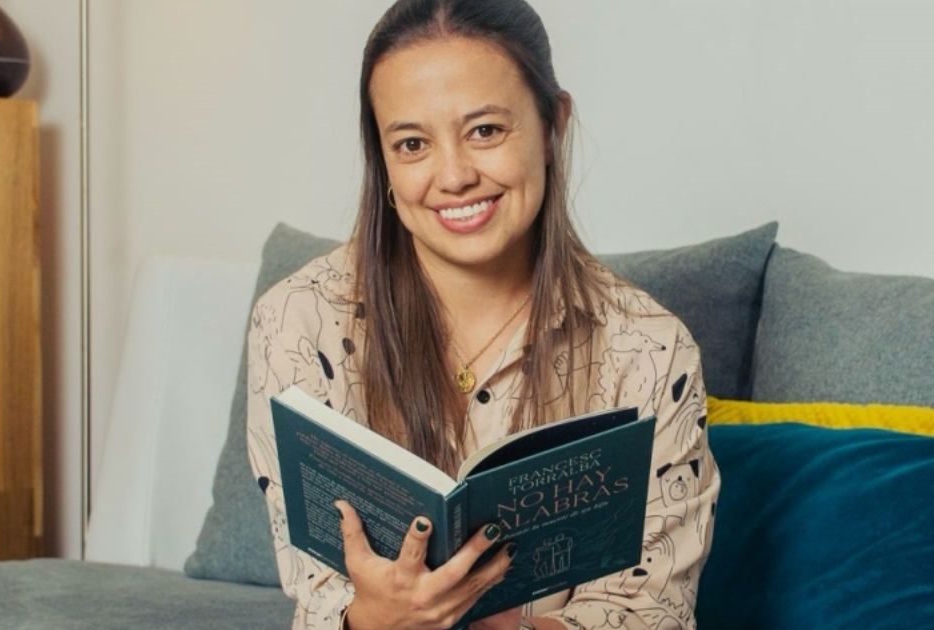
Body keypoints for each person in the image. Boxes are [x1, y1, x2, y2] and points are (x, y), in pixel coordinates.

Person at [246, 1, 719, 629]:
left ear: (553, 126)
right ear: (383, 162)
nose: (453, 176)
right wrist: (374, 620)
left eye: (485, 131)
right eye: (412, 144)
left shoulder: (652, 351)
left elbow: (651, 613)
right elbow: (318, 589)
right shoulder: (298, 320)